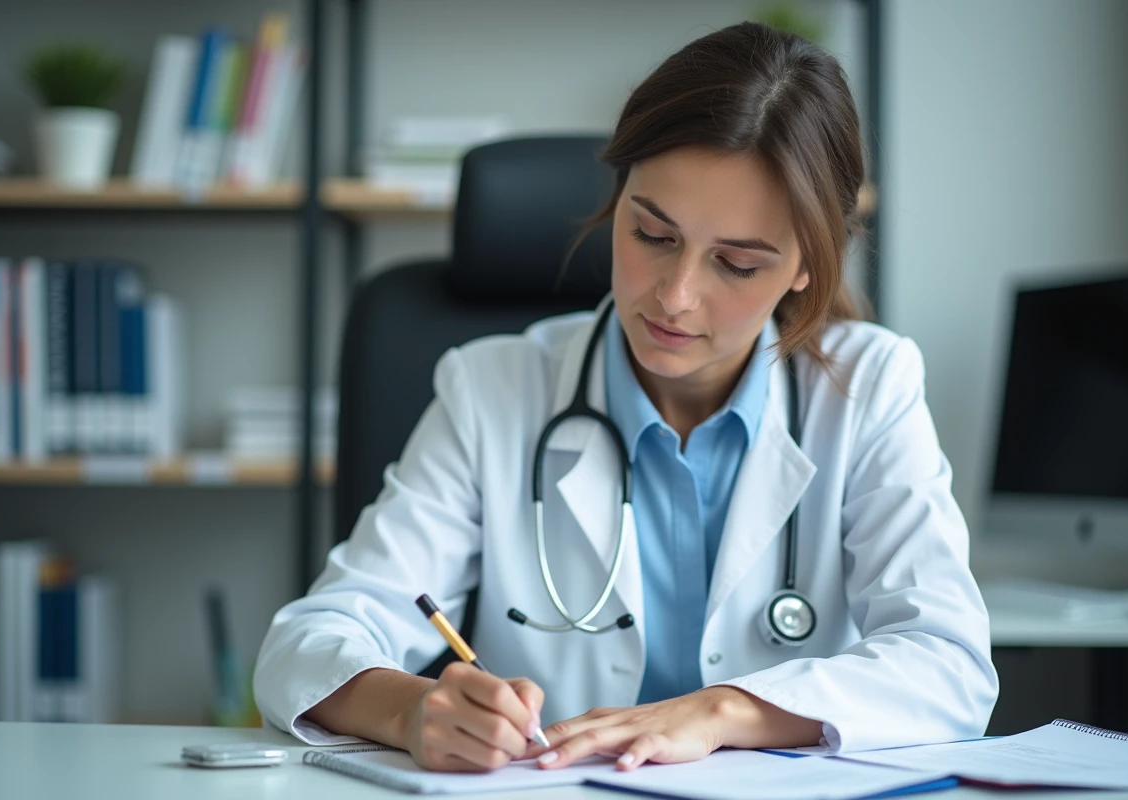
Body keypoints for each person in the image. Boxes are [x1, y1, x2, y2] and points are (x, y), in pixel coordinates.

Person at [254, 21, 998, 774]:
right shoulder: (492, 390)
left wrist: (724, 711)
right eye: (653, 234)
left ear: (809, 267)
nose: (675, 297)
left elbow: (949, 667)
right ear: (618, 200)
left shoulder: (869, 388)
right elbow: (308, 644)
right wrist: (413, 709)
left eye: (737, 264)